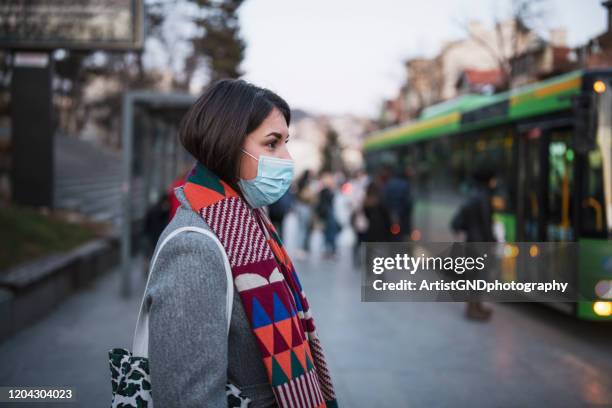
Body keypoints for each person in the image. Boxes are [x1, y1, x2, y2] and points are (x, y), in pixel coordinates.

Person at [145, 79, 337, 407]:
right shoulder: (193, 247)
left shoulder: (248, 222)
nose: (287, 158)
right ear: (228, 145)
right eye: (272, 143)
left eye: (286, 143)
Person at [450, 164, 497, 321]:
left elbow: (462, 219)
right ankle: (473, 309)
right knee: (478, 278)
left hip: (473, 240)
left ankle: (476, 307)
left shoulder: (474, 194)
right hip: (480, 242)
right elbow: (485, 222)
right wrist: (491, 240)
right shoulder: (482, 196)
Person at [293, 170, 317, 260]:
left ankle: (302, 248)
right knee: (304, 228)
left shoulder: (300, 182)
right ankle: (301, 249)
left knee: (302, 228)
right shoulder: (308, 184)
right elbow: (311, 197)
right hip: (305, 207)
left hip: (300, 207)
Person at [316, 173, 340, 259]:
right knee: (330, 233)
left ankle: (327, 251)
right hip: (329, 214)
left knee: (326, 233)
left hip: (325, 214)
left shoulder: (322, 191)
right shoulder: (327, 191)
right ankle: (332, 251)